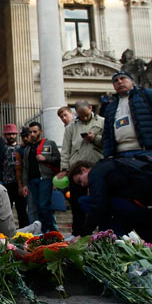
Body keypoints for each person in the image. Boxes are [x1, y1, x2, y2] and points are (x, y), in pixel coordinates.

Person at [69, 158, 152, 244]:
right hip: (147, 204)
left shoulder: (95, 173)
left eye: (80, 181)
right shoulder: (109, 165)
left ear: (84, 169)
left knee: (84, 201)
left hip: (136, 206)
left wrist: (84, 235)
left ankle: (113, 238)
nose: (82, 185)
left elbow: (98, 206)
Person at [102, 71, 152, 162]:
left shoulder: (147, 95)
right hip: (120, 155)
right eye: (115, 81)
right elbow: (107, 134)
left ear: (132, 81)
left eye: (123, 78)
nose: (119, 82)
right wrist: (108, 155)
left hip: (147, 152)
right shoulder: (110, 106)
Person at [58, 100, 105, 235]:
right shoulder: (71, 127)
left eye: (85, 115)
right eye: (80, 116)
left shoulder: (102, 122)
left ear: (91, 108)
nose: (83, 118)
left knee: (100, 201)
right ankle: (78, 233)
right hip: (76, 170)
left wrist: (95, 138)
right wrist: (64, 169)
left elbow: (108, 141)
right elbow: (66, 149)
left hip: (97, 166)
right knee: (76, 204)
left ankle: (103, 231)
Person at [21, 121, 60, 233]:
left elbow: (58, 160)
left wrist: (45, 159)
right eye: (30, 132)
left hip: (45, 178)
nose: (32, 134)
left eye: (35, 131)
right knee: (37, 207)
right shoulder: (27, 149)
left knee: (44, 205)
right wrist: (25, 184)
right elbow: (25, 168)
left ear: (40, 132)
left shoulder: (49, 144)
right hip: (32, 181)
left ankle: (52, 230)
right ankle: (43, 231)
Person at [0, 123, 28, 228]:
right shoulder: (2, 149)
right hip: (6, 183)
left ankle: (24, 230)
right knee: (6, 210)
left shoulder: (21, 148)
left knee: (22, 210)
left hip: (19, 183)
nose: (11, 136)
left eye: (13, 134)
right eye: (8, 134)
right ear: (5, 135)